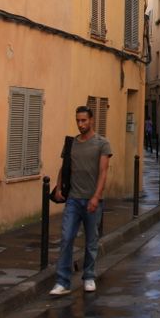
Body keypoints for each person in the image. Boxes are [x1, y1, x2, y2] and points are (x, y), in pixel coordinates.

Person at [50, 105, 112, 296]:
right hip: (73, 200)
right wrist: (59, 187)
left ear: (91, 120)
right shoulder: (71, 143)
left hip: (92, 200)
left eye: (84, 120)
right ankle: (62, 281)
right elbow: (65, 167)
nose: (80, 124)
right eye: (78, 120)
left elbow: (103, 172)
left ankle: (89, 276)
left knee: (91, 240)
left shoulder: (102, 143)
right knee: (66, 238)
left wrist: (96, 196)